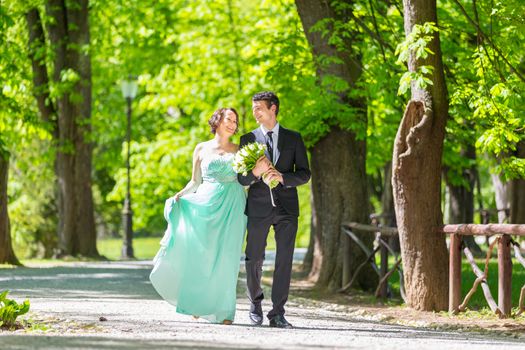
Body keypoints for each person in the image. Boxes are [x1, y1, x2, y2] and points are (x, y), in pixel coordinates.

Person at [150, 108, 247, 325]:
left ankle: (224, 311)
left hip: (233, 203)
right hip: (206, 202)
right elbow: (195, 181)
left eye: (235, 121)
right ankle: (197, 304)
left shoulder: (240, 149)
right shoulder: (201, 148)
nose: (232, 124)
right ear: (217, 121)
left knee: (228, 257)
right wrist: (180, 195)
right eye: (228, 119)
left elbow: (249, 178)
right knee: (202, 254)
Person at [238, 91, 311, 328]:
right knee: (253, 258)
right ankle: (255, 304)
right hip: (258, 207)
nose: (255, 112)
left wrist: (283, 177)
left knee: (284, 260)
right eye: (253, 108)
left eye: (259, 107)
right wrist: (255, 174)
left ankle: (277, 313)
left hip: (287, 208)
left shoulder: (294, 138)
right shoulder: (247, 139)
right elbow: (242, 179)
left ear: (273, 109)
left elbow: (304, 173)